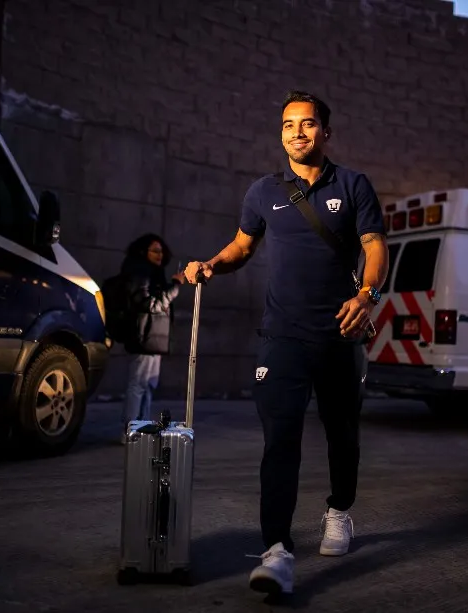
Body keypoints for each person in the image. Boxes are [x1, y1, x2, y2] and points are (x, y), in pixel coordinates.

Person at [184, 90, 388, 596]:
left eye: (308, 124)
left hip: (340, 334)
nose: (297, 132)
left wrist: (367, 295)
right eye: (288, 125)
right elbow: (242, 245)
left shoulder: (354, 185)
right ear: (281, 133)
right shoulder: (263, 192)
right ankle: (277, 550)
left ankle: (339, 510)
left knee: (343, 434)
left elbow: (375, 246)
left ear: (326, 132)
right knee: (280, 440)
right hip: (282, 336)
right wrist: (212, 264)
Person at [119, 233, 186, 442]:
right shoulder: (140, 272)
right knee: (138, 384)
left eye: (161, 250)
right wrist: (175, 286)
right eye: (154, 250)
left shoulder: (152, 272)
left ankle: (141, 427)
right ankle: (130, 430)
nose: (160, 254)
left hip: (153, 337)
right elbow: (150, 304)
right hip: (144, 336)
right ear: (143, 251)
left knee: (148, 384)